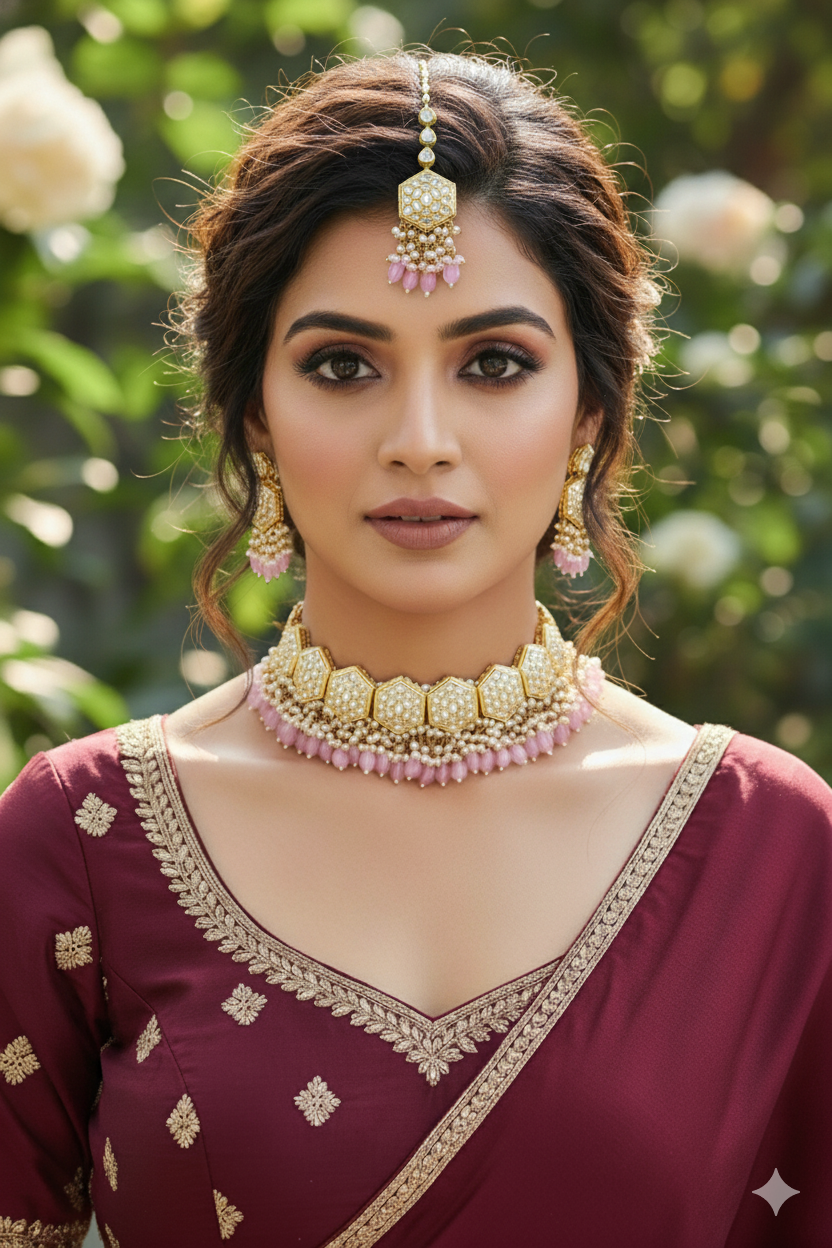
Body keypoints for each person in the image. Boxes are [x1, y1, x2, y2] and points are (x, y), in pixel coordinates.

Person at [0, 50, 830, 1248]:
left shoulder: (762, 847)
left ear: (591, 415)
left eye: (494, 364)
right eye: (344, 366)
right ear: (253, 417)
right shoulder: (86, 833)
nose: (420, 440)